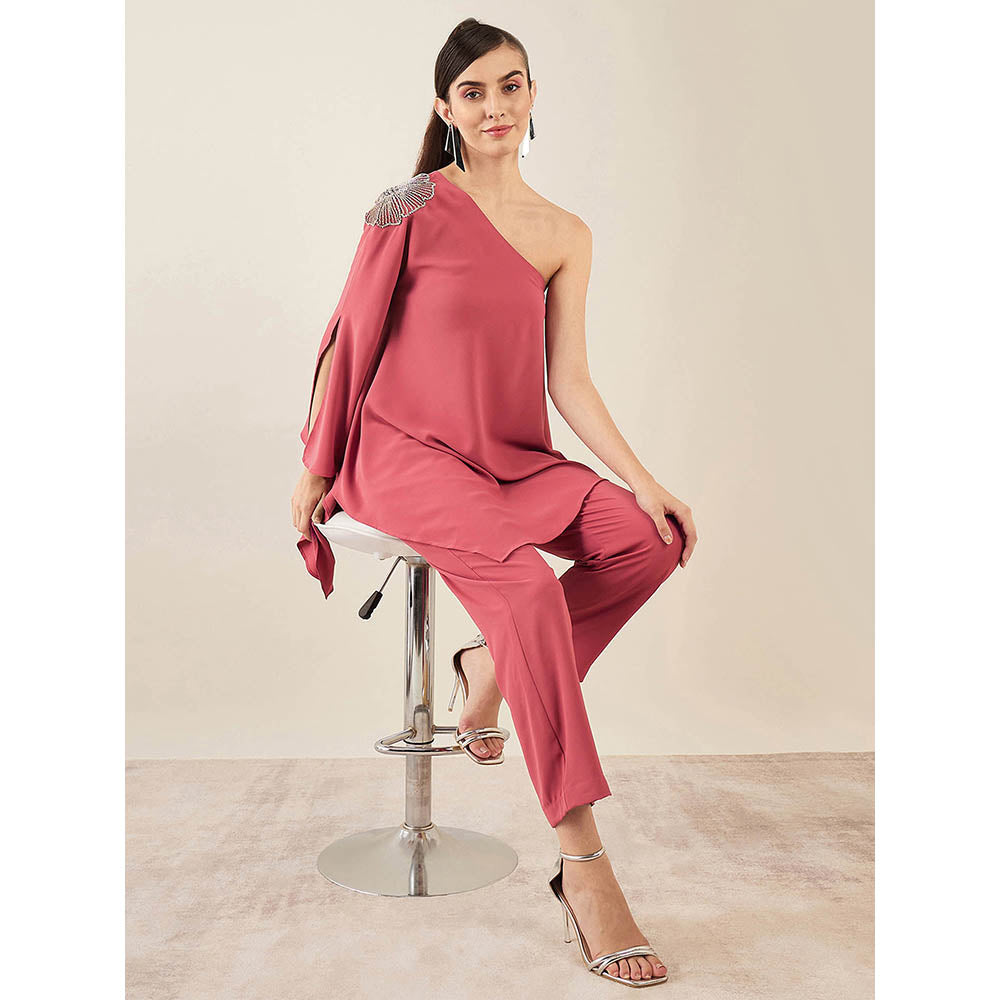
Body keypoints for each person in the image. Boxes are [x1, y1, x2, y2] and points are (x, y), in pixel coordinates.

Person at [290, 17, 698, 987]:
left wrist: (644, 480)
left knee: (646, 541)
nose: (494, 106)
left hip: (510, 457)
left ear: (532, 94)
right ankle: (584, 864)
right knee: (523, 590)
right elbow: (348, 337)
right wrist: (315, 463)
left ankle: (487, 670)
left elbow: (569, 380)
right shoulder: (406, 204)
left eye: (509, 85)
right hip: (405, 453)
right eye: (471, 92)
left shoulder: (565, 233)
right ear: (444, 108)